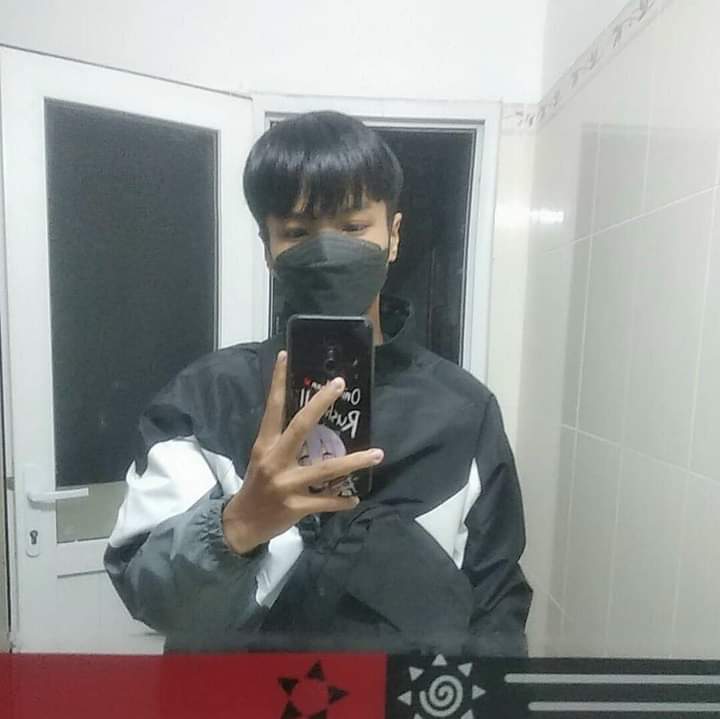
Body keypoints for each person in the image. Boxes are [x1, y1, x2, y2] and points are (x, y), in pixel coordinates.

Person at [105, 110, 532, 655]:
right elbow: (149, 596)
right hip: (230, 695)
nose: (328, 252)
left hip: (403, 695)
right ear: (268, 249)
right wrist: (239, 523)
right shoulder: (204, 398)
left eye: (353, 227)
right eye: (297, 233)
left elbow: (496, 604)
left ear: (393, 236)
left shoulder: (463, 411)